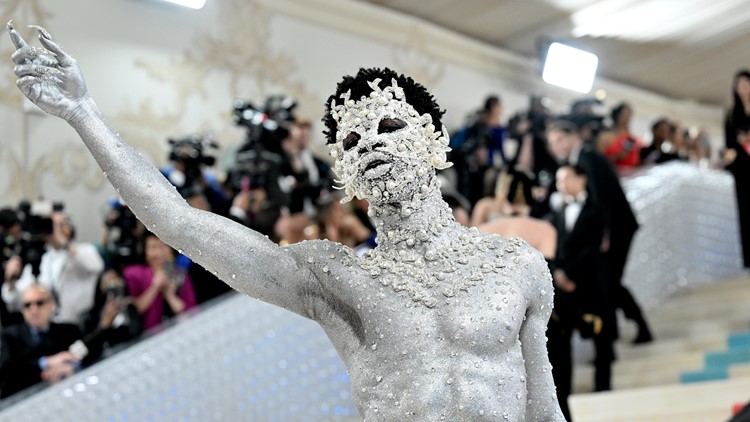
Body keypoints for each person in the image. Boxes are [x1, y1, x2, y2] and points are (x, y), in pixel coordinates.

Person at [7, 24, 564, 420]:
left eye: (388, 124)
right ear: (344, 171)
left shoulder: (517, 265)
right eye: (351, 138)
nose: (369, 141)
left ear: (434, 140)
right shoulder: (335, 277)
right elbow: (179, 222)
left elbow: (544, 409)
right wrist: (86, 116)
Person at [546, 120, 653, 345]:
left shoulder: (586, 157)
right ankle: (613, 335)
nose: (556, 147)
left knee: (610, 282)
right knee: (608, 283)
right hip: (612, 228)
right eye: (552, 143)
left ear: (572, 136)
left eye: (559, 140)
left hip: (615, 229)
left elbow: (601, 199)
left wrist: (604, 234)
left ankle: (634, 328)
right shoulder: (581, 158)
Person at [549, 165, 615, 395]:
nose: (562, 184)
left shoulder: (596, 208)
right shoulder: (557, 213)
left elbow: (592, 247)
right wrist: (558, 273)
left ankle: (603, 384)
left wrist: (570, 274)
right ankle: (565, 388)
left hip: (591, 280)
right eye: (559, 180)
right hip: (564, 285)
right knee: (563, 337)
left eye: (566, 178)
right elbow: (554, 248)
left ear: (581, 179)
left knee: (600, 334)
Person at [2, 211, 104, 325]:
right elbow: (18, 298)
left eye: (61, 224)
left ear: (70, 228)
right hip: (53, 327)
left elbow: (96, 266)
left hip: (80, 323)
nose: (55, 229)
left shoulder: (85, 250)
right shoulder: (45, 258)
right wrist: (10, 281)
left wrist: (63, 242)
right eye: (52, 225)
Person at [0, 284, 83, 398]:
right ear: (22, 310)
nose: (33, 310)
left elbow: (86, 349)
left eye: (39, 303)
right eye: (27, 305)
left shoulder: (68, 330)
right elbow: (7, 371)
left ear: (52, 304)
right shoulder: (10, 336)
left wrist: (72, 365)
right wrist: (45, 363)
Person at [122, 232, 196, 330]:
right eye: (153, 247)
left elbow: (192, 311)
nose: (159, 253)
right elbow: (135, 310)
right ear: (144, 251)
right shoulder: (134, 274)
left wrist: (169, 294)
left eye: (163, 246)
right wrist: (155, 286)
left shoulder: (180, 273)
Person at [724, 70, 750, 268]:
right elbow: (729, 146)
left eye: (746, 83)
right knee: (745, 212)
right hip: (742, 167)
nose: (742, 87)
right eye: (739, 84)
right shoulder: (732, 114)